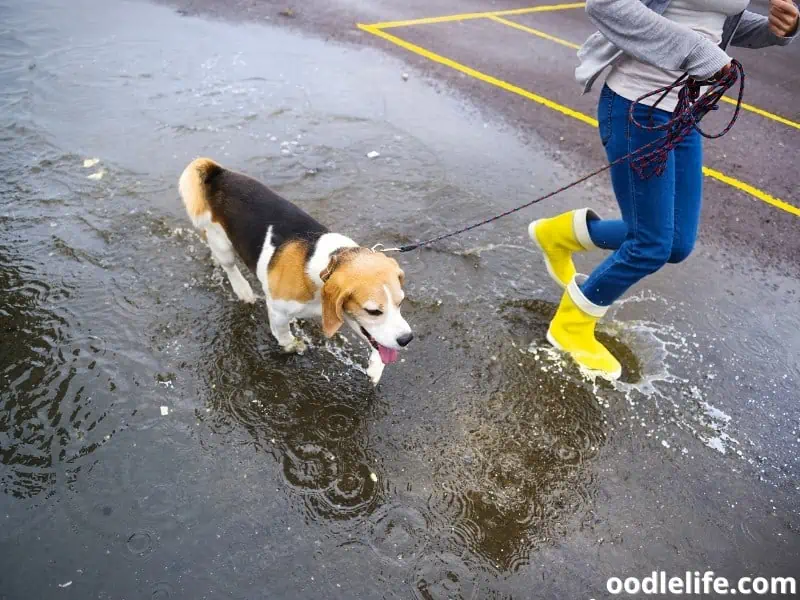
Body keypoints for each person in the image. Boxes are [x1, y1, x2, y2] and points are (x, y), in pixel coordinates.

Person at [529, 0, 798, 380]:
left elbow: (715, 21)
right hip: (637, 105)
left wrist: (775, 30)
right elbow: (606, 5)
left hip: (684, 110)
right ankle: (570, 326)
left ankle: (559, 234)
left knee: (675, 243)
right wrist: (696, 51)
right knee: (650, 244)